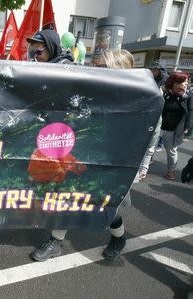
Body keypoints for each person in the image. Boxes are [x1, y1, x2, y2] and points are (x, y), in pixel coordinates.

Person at [32, 49, 134, 263]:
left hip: (115, 164)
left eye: (103, 68)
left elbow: (144, 136)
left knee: (107, 206)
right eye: (97, 67)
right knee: (70, 198)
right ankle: (56, 242)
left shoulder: (135, 101)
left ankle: (119, 238)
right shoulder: (92, 93)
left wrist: (138, 169)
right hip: (87, 155)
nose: (96, 71)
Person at [135, 60, 168, 181]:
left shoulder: (162, 87)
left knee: (150, 147)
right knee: (139, 145)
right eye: (152, 69)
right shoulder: (145, 82)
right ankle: (137, 169)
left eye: (156, 70)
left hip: (156, 120)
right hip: (143, 118)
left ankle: (143, 169)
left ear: (161, 72)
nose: (153, 72)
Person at [160, 72, 193, 180]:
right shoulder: (165, 94)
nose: (186, 84)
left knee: (171, 151)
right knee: (148, 150)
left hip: (173, 130)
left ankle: (171, 171)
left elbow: (191, 112)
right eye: (183, 82)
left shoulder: (187, 97)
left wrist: (188, 126)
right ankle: (142, 170)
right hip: (159, 126)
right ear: (175, 83)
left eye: (187, 82)